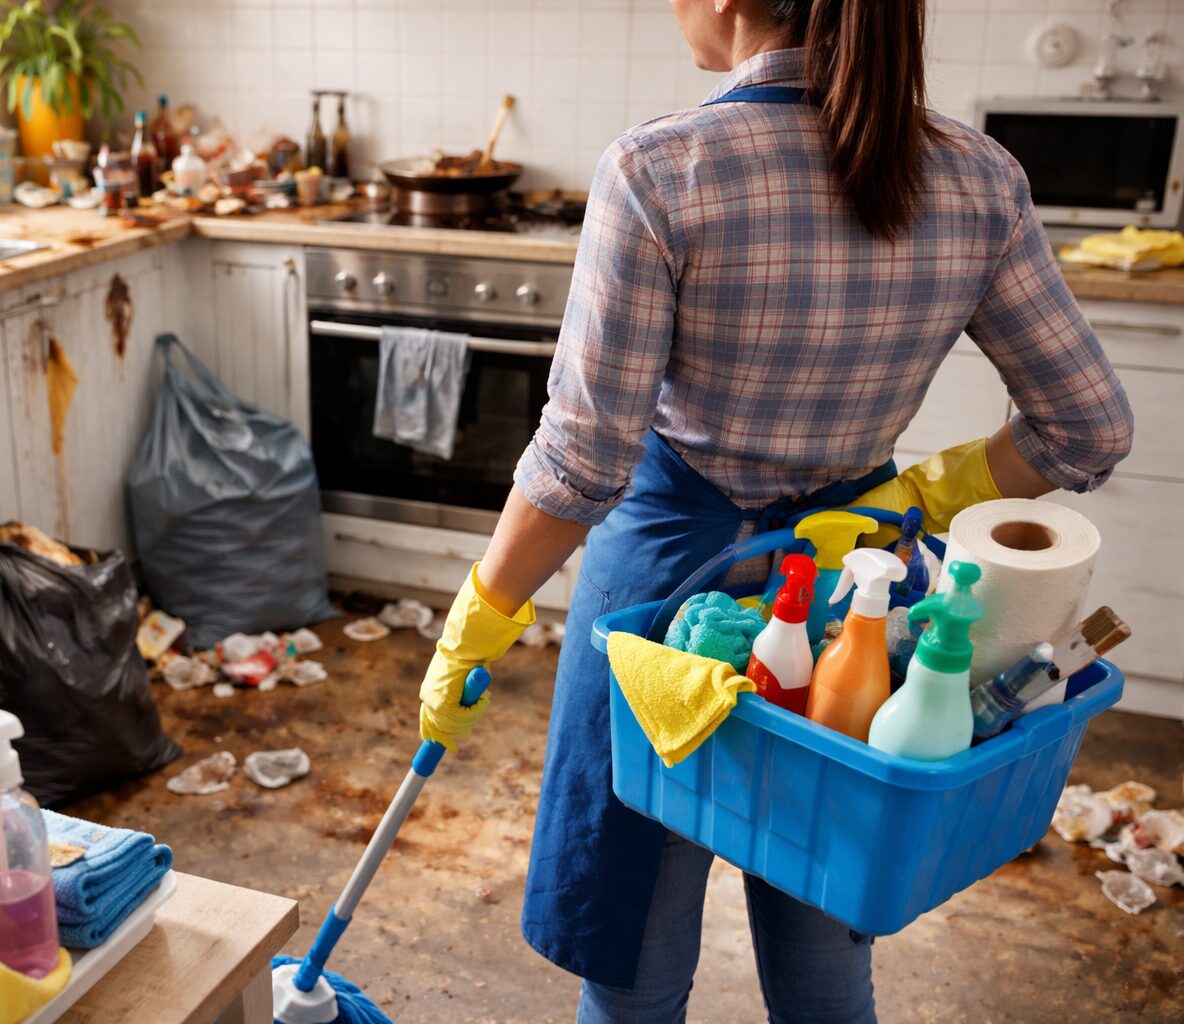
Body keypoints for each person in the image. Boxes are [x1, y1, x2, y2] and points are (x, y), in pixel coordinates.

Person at [415, 1, 1134, 1021]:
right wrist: (920, 493)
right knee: (823, 932)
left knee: (634, 958)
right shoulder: (978, 178)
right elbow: (1089, 427)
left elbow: (583, 465)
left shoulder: (660, 171)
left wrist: (481, 612)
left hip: (666, 601)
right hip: (851, 596)